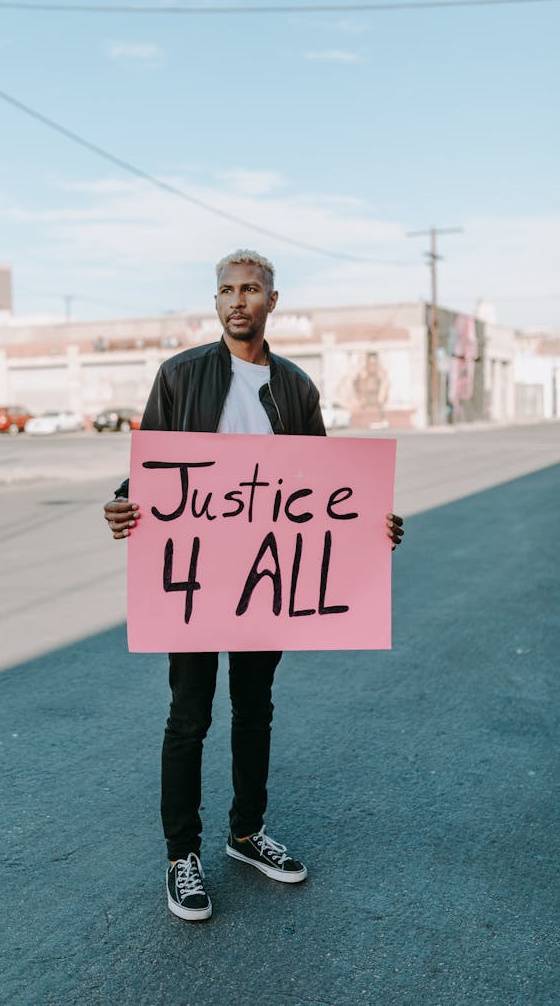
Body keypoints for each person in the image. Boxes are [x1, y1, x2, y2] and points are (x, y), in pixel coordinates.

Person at [104, 249, 404, 922]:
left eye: (250, 290)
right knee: (189, 717)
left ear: (271, 300)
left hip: (266, 582)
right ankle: (182, 856)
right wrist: (121, 502)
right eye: (226, 291)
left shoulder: (295, 389)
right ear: (216, 304)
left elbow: (330, 493)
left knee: (255, 708)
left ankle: (245, 834)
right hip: (196, 583)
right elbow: (154, 469)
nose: (237, 300)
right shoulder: (180, 375)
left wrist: (373, 526)